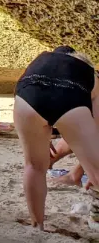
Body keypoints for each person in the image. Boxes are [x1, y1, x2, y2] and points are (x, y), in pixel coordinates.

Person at [13, 46, 99, 229]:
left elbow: (33, 91)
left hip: (27, 98)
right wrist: (90, 167)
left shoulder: (40, 61)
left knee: (34, 167)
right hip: (70, 98)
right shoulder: (91, 73)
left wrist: (45, 134)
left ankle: (37, 225)